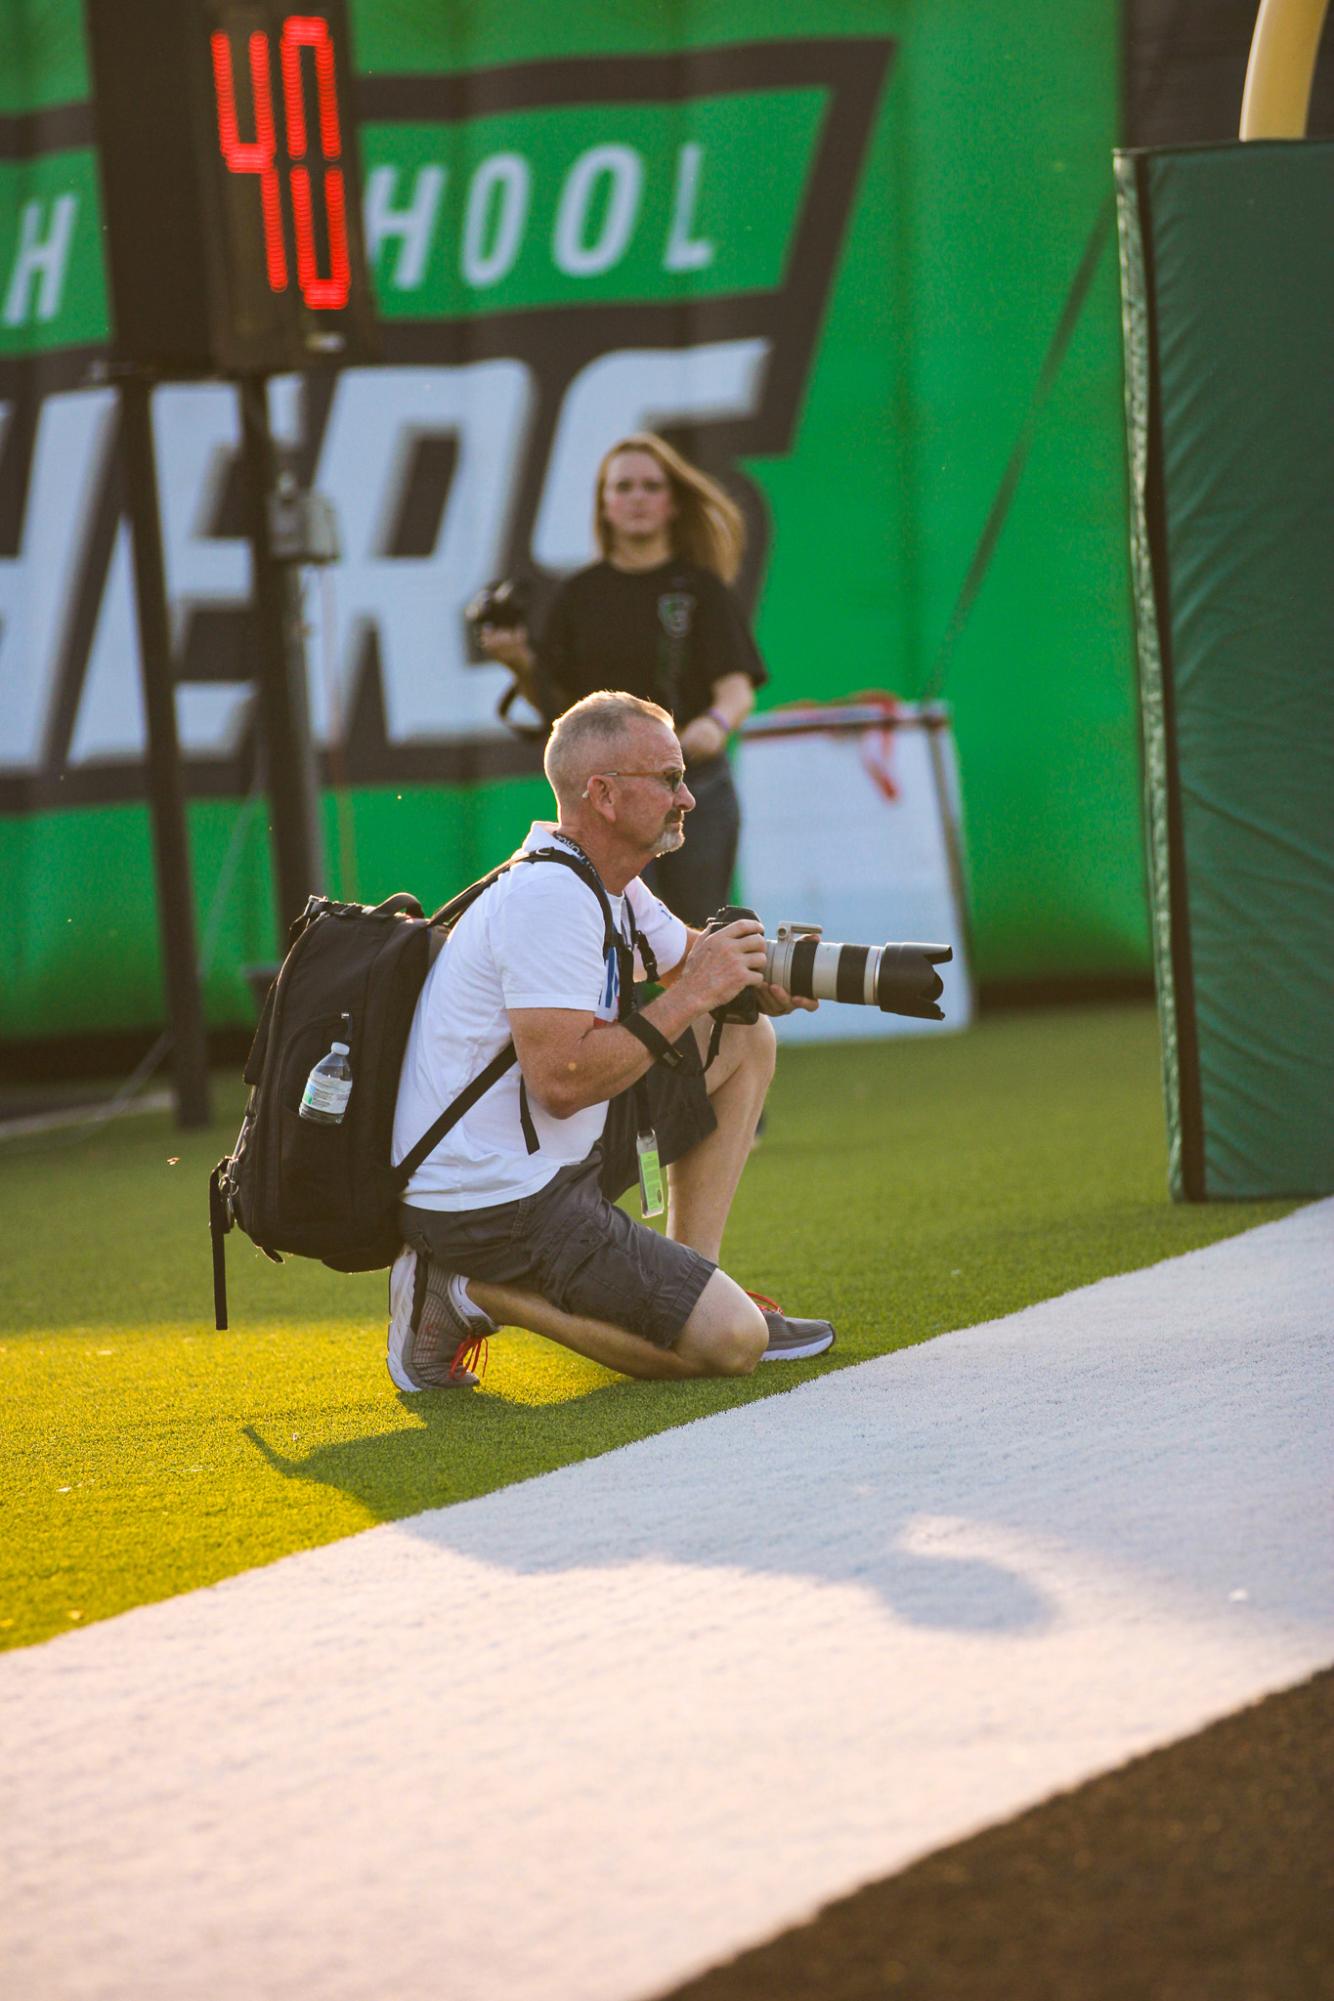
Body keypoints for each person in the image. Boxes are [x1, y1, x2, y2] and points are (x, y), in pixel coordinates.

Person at [387, 690, 835, 1391]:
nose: (687, 797)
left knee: (744, 1035)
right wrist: (693, 992)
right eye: (667, 779)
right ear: (602, 793)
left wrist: (775, 974)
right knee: (732, 1343)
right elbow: (560, 1082)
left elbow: (696, 959)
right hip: (490, 1201)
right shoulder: (550, 897)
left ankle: (696, 1275)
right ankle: (465, 1288)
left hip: (545, 1157)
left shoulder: (608, 882)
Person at [479, 433, 765, 927]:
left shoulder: (700, 589)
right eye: (624, 486)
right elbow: (562, 713)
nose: (637, 498)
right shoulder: (578, 596)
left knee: (697, 929)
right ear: (604, 504)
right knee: (614, 929)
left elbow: (737, 690)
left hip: (691, 786)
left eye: (651, 486)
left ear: (673, 503)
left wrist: (713, 725)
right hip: (607, 797)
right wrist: (520, 665)